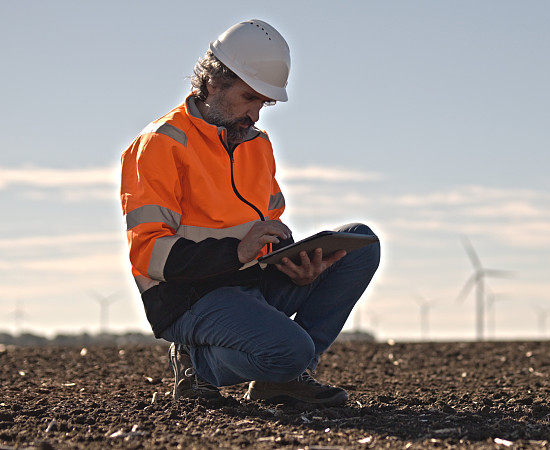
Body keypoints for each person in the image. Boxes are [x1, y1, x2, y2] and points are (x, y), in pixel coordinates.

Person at [119, 19, 380, 406]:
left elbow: (267, 227)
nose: (256, 115)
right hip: (189, 297)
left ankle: (284, 378)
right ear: (212, 83)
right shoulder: (160, 144)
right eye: (249, 98)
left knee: (361, 243)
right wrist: (237, 252)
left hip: (250, 284)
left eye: (264, 102)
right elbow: (149, 253)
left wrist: (297, 264)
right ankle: (198, 360)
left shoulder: (257, 145)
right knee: (290, 349)